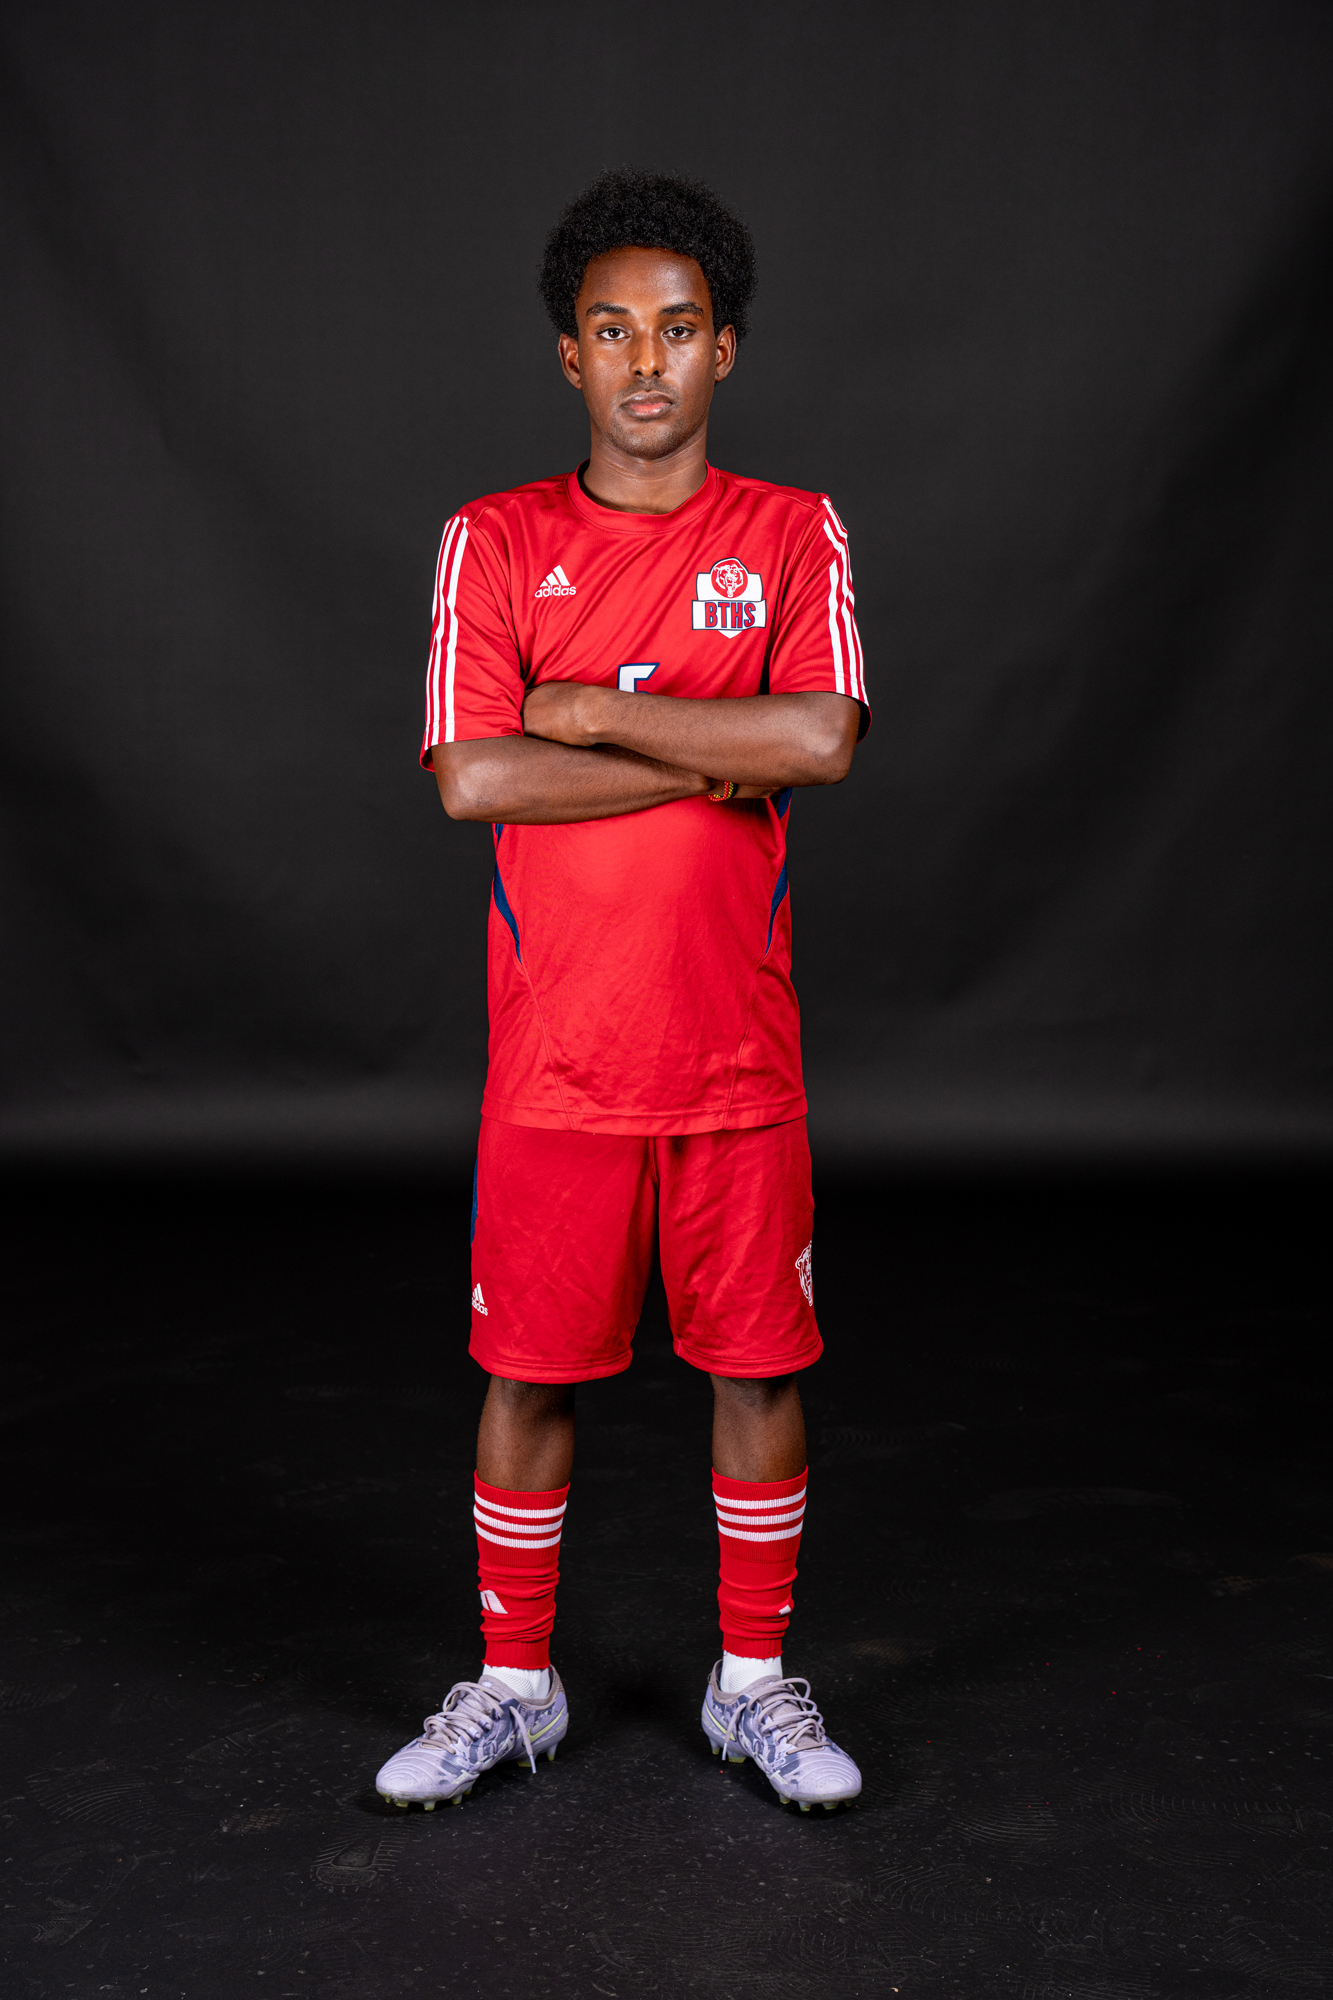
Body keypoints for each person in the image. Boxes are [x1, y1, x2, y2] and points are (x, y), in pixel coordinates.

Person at [376, 169, 868, 1816]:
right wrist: (710, 751)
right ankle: (515, 1688)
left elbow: (820, 737)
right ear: (567, 356)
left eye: (675, 328)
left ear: (724, 348)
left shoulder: (789, 530)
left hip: (734, 1053)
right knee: (524, 1374)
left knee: (758, 1368)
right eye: (610, 330)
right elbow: (472, 777)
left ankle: (751, 1684)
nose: (643, 360)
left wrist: (588, 714)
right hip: (558, 1062)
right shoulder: (495, 539)